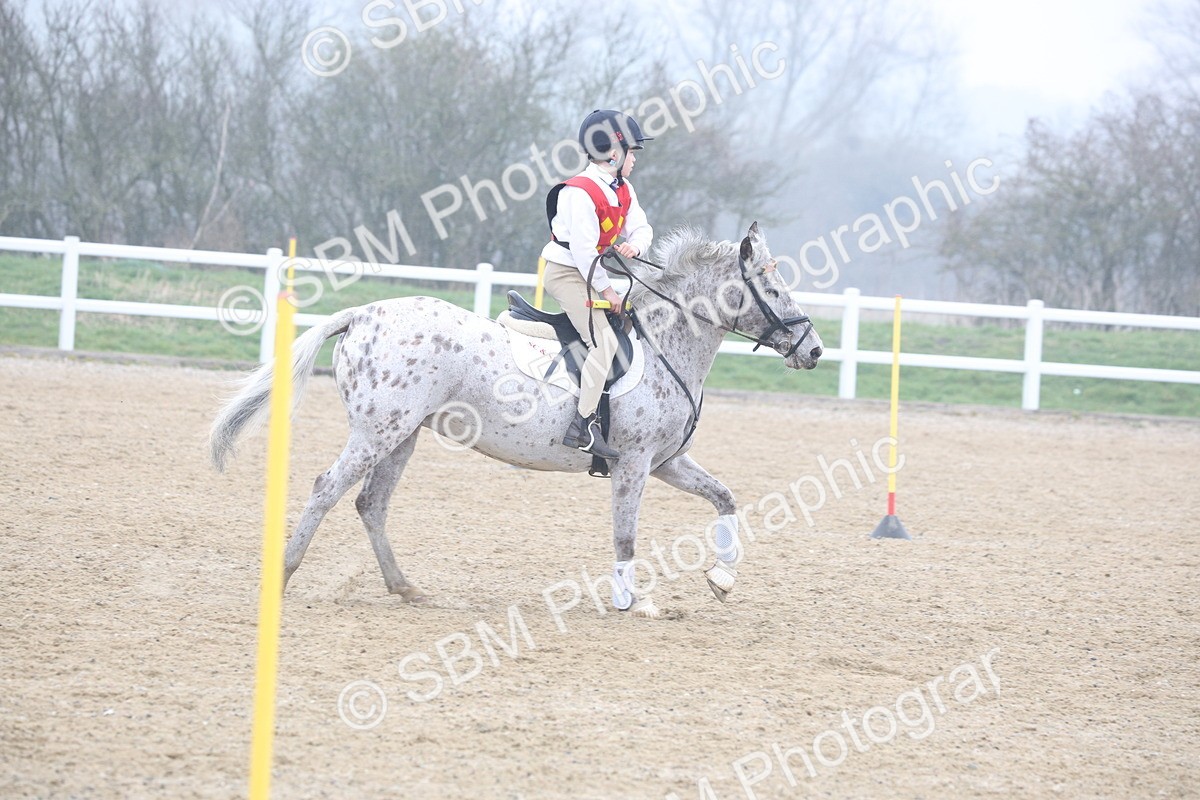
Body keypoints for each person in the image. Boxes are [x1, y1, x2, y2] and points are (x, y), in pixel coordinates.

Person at [541, 109, 654, 460]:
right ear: (614, 153)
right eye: (632, 152)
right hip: (567, 273)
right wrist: (607, 291)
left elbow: (642, 228)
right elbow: (583, 251)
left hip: (591, 272)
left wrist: (636, 246)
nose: (634, 159)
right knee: (604, 343)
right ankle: (583, 426)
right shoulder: (579, 192)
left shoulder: (624, 189)